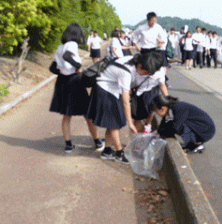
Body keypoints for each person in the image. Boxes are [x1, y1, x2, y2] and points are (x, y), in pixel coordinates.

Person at [86, 52, 164, 163]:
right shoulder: (125, 72)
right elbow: (125, 101)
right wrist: (130, 122)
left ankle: (107, 150)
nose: (145, 74)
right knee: (114, 124)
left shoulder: (132, 59)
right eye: (145, 72)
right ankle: (119, 153)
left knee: (112, 122)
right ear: (140, 66)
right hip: (105, 90)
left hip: (111, 89)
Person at [49, 23, 103, 153]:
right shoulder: (72, 44)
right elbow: (68, 56)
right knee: (87, 113)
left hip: (62, 82)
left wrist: (59, 72)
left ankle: (68, 145)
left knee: (67, 115)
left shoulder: (60, 47)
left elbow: (51, 68)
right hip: (74, 81)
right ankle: (97, 142)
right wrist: (78, 65)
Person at [132, 66, 168, 133]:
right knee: (138, 117)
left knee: (151, 110)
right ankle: (137, 134)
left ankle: (147, 126)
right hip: (139, 92)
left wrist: (167, 100)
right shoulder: (139, 66)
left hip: (152, 91)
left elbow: (162, 85)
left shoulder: (160, 69)